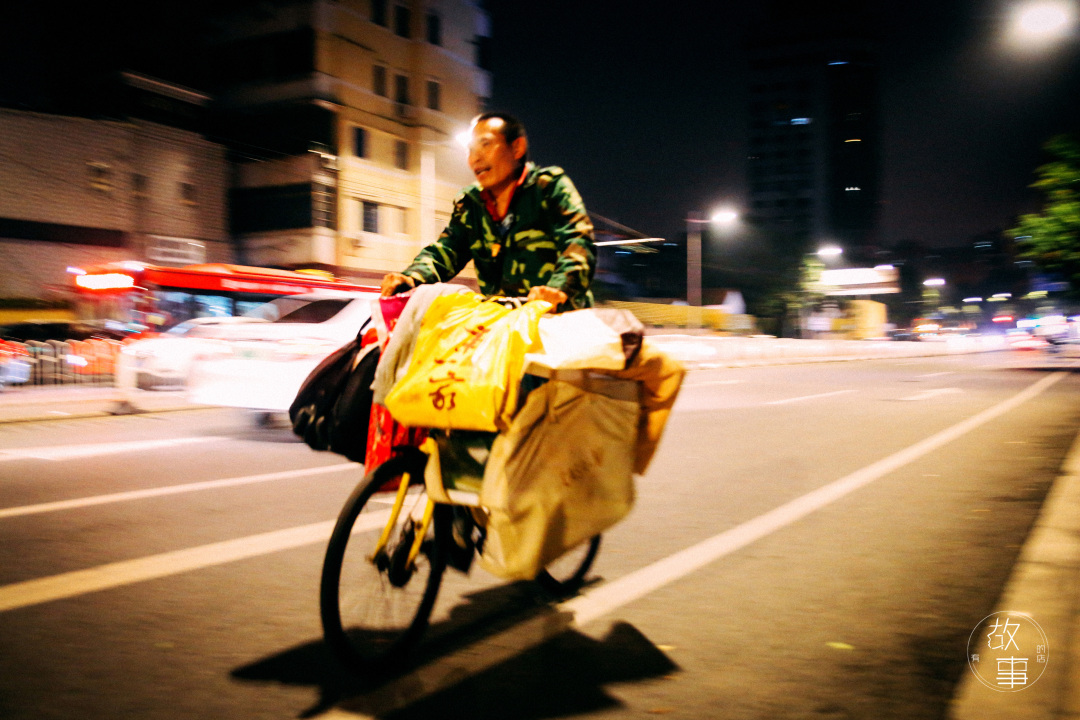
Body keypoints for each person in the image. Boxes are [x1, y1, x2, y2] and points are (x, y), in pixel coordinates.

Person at [380, 112, 596, 311]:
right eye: (471, 150)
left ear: (517, 148)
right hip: (501, 323)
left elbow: (578, 243)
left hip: (557, 321)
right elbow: (447, 250)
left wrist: (558, 290)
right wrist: (410, 277)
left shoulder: (548, 188)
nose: (475, 159)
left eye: (486, 145)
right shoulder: (470, 203)